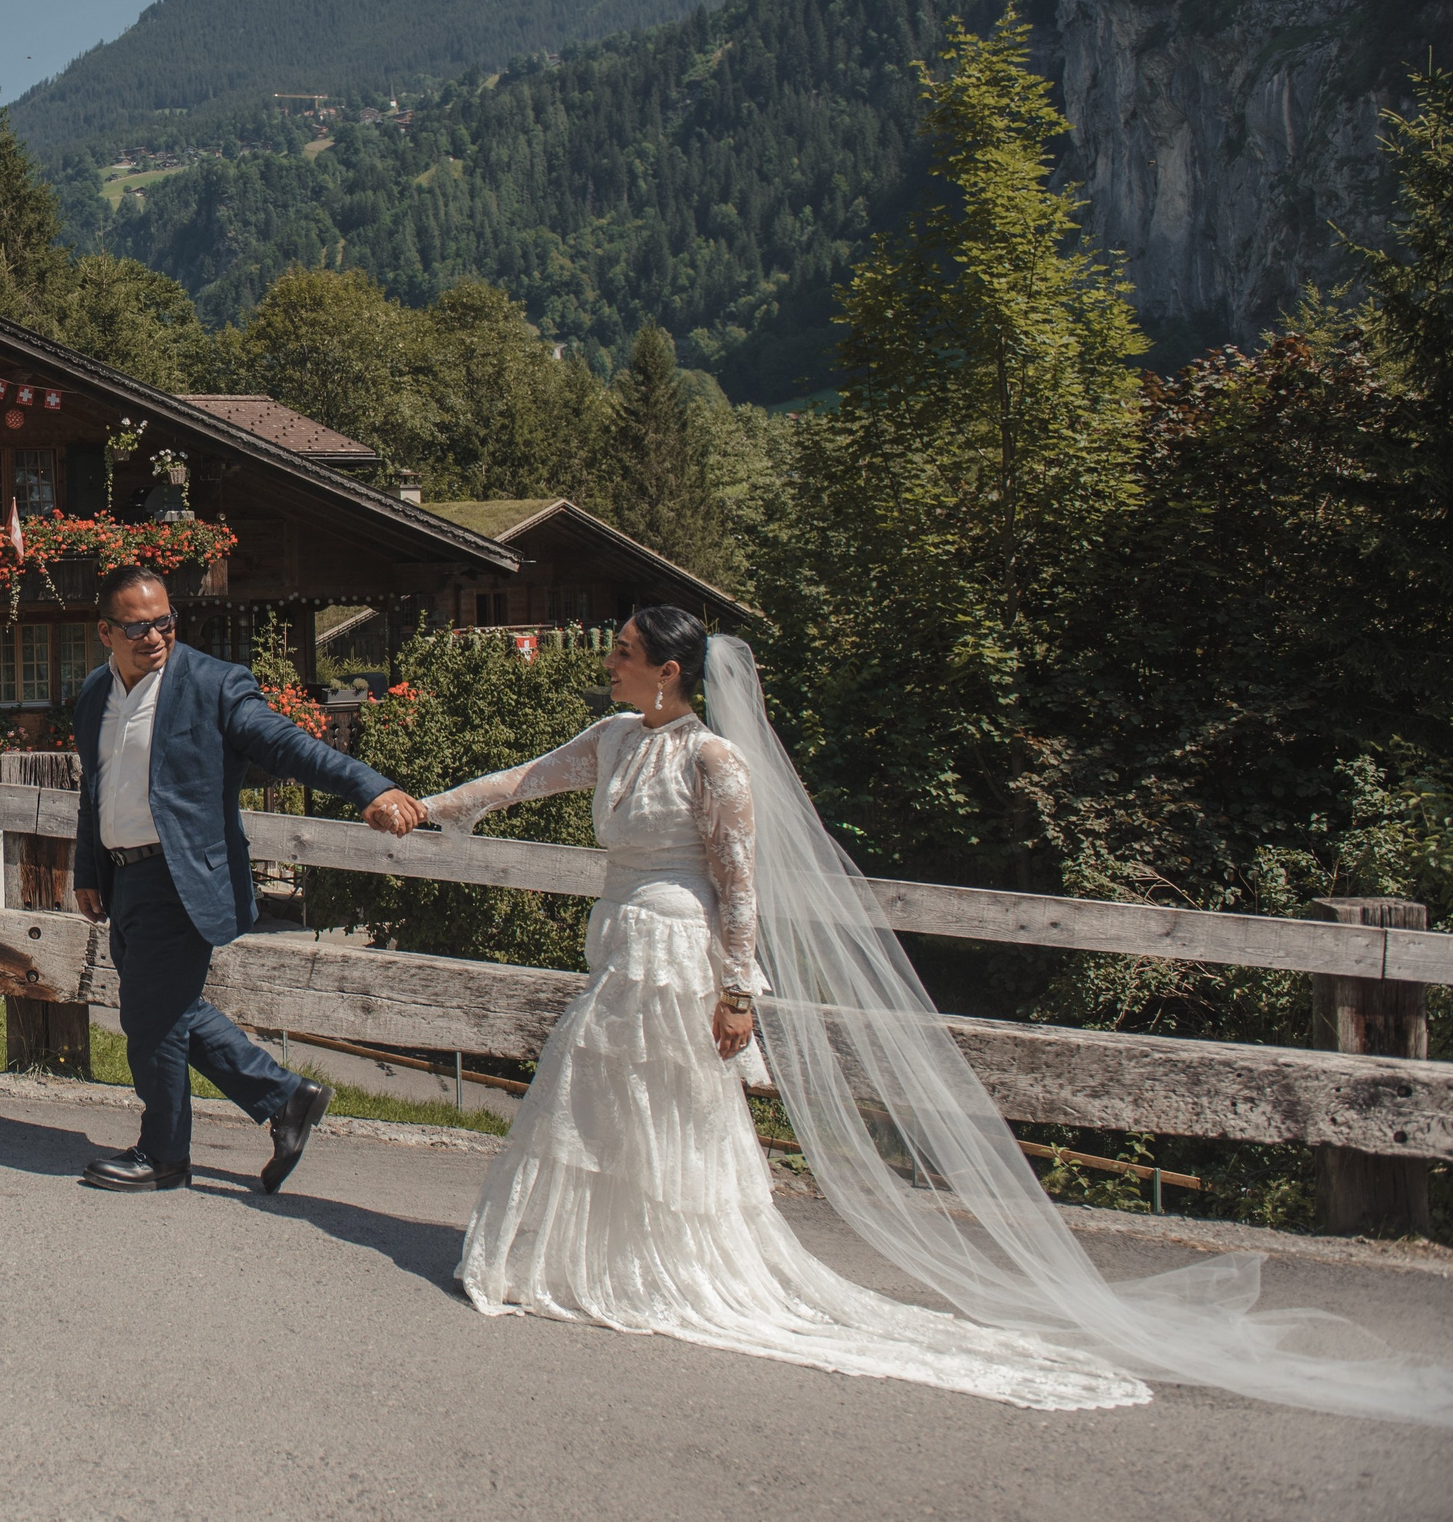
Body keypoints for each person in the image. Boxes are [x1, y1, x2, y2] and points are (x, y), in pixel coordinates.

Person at [421, 608, 1453, 1422]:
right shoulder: (609, 738)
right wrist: (430, 805)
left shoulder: (712, 762)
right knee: (600, 1100)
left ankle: (655, 1260)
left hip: (675, 947)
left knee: (645, 1101)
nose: (608, 662)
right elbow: (521, 780)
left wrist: (741, 989)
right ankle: (595, 1253)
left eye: (623, 652)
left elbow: (741, 886)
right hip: (622, 933)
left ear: (672, 672)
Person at [72, 564, 426, 1194]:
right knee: (168, 1011)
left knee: (150, 1021)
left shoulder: (214, 684)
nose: (155, 636)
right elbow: (94, 794)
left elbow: (288, 744)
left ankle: (164, 1157)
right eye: (137, 627)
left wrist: (368, 788)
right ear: (106, 632)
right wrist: (89, 869)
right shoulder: (96, 696)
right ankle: (286, 1098)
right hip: (124, 877)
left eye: (164, 622)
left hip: (181, 878)